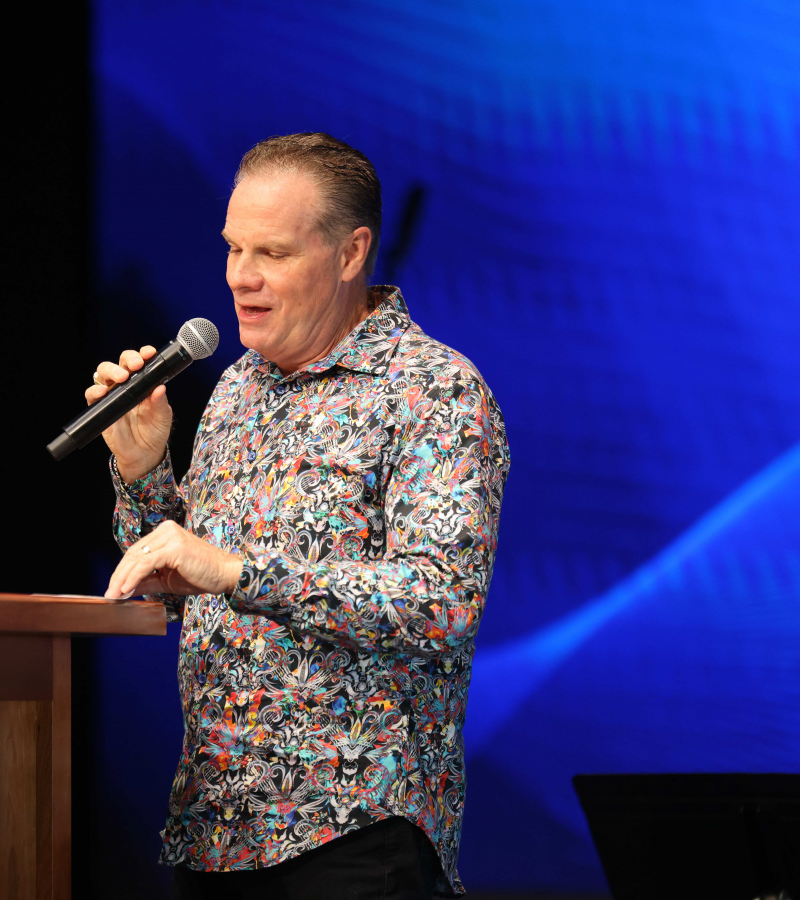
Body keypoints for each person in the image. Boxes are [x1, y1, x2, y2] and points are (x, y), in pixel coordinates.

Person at [87, 133, 509, 899]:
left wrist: (239, 572)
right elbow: (176, 591)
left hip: (351, 834)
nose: (239, 276)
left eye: (272, 253)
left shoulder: (433, 391)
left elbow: (441, 604)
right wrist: (144, 470)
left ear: (351, 253)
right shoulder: (235, 390)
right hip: (215, 828)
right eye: (232, 248)